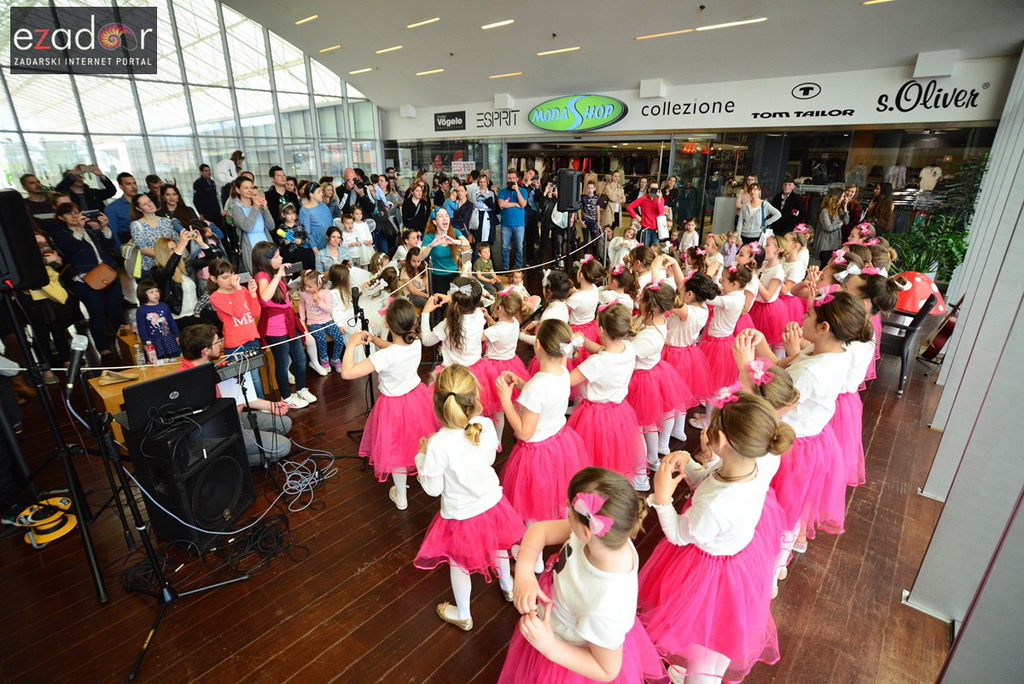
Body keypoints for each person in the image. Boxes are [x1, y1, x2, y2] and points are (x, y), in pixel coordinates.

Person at [639, 393, 793, 684]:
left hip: (709, 576)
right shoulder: (761, 461)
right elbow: (712, 478)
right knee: (719, 638)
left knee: (703, 649)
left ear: (718, 439)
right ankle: (707, 669)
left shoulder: (715, 506)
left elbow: (678, 534)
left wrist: (662, 497)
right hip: (740, 561)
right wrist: (689, 466)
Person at [499, 467, 664, 684]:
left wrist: (549, 645)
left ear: (586, 531)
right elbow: (542, 530)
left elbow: (607, 671)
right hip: (556, 621)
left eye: (568, 510)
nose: (566, 513)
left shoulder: (605, 607)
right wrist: (524, 572)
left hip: (568, 658)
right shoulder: (605, 539)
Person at [747, 289, 870, 555]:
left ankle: (774, 564)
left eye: (808, 314)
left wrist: (744, 369)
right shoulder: (827, 351)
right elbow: (781, 367)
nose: (802, 318)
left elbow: (772, 409)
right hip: (813, 439)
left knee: (781, 508)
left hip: (794, 447)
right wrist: (759, 345)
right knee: (793, 505)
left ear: (823, 327)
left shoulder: (813, 372)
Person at [414, 364, 526, 630]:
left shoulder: (438, 443)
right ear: (474, 398)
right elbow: (489, 457)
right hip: (491, 502)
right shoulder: (485, 425)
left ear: (439, 405)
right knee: (498, 544)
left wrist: (421, 456)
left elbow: (433, 489)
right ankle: (508, 586)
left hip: (460, 513)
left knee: (459, 563)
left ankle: (463, 612)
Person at [496, 319, 590, 550]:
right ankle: (556, 534)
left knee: (531, 505)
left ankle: (533, 552)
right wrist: (520, 382)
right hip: (559, 444)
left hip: (535, 453)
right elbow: (543, 396)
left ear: (537, 345)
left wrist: (505, 401)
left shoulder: (538, 385)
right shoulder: (562, 372)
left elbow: (524, 432)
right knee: (551, 494)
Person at [342, 299, 441, 509]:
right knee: (417, 439)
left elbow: (347, 372)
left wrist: (352, 343)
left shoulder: (386, 357)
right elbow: (395, 347)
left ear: (387, 324)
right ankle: (427, 474)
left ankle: (401, 497)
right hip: (416, 398)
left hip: (393, 407)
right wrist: (376, 339)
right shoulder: (414, 342)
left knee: (395, 450)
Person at [178, 324, 292, 465]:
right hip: (218, 431)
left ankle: (242, 449)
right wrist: (233, 411)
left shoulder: (208, 366)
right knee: (283, 446)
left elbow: (238, 395)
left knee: (284, 423)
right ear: (205, 350)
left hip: (230, 418)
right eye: (217, 341)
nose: (221, 343)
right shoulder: (188, 380)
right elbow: (203, 420)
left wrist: (271, 405)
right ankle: (230, 460)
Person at [563, 302, 646, 480]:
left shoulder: (596, 363)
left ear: (601, 330)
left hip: (594, 417)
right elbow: (604, 349)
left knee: (592, 456)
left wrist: (565, 352)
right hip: (619, 412)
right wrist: (584, 341)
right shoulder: (628, 348)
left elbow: (565, 381)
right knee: (612, 454)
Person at [627, 282, 693, 489]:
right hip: (650, 376)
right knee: (649, 425)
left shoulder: (650, 335)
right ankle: (653, 459)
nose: (638, 299)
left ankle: (640, 477)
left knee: (638, 428)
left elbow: (626, 353)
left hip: (640, 380)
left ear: (652, 306)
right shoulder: (653, 320)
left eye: (642, 298)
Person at [49, 203, 123, 362]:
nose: (75, 216)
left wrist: (104, 227)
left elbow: (109, 243)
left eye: (77, 212)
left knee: (116, 311)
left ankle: (125, 341)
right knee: (97, 314)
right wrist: (78, 230)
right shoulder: (60, 235)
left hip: (108, 274)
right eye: (69, 214)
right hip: (85, 280)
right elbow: (72, 248)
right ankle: (103, 349)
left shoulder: (91, 231)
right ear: (61, 217)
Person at [251, 242, 315, 408]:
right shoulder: (262, 276)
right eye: (277, 256)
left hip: (289, 321)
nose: (281, 258)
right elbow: (265, 297)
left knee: (300, 358)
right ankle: (286, 396)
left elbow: (281, 298)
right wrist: (279, 276)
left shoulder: (272, 274)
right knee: (282, 363)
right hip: (275, 326)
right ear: (266, 259)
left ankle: (301, 389)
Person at [661, 271, 716, 441]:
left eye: (683, 291)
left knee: (671, 401)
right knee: (681, 397)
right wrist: (674, 265)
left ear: (690, 294)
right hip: (688, 354)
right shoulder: (703, 308)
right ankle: (679, 429)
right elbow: (681, 284)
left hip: (673, 355)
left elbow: (664, 300)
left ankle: (663, 441)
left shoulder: (688, 312)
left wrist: (657, 278)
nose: (680, 292)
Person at [206, 258, 264, 398]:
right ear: (214, 278)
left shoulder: (242, 290)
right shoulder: (216, 297)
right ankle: (248, 407)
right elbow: (237, 313)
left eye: (232, 275)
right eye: (225, 277)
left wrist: (252, 294)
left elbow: (255, 313)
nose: (230, 280)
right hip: (236, 343)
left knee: (255, 376)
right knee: (242, 379)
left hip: (252, 338)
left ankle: (262, 404)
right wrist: (239, 290)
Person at [696, 265, 752, 403]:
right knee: (714, 382)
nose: (721, 281)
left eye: (724, 280)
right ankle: (708, 413)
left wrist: (708, 276)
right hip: (719, 341)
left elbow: (707, 298)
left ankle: (708, 418)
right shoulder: (737, 295)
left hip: (718, 346)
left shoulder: (730, 300)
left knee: (715, 383)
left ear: (734, 284)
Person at [749, 236, 790, 352]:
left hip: (768, 311)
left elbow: (768, 296)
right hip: (756, 305)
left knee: (767, 345)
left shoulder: (778, 271)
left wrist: (755, 277)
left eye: (768, 245)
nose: (764, 247)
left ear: (777, 250)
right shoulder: (763, 265)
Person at [298, 269, 345, 373]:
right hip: (313, 322)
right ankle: (324, 360)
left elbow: (328, 309)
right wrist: (302, 319)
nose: (306, 288)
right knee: (321, 340)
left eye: (310, 286)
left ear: (319, 285)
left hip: (327, 320)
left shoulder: (326, 293)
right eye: (305, 285)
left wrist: (319, 301)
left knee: (339, 338)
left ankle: (335, 359)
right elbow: (301, 304)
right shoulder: (303, 293)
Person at [229, 176, 274, 275]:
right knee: (257, 276)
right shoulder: (237, 208)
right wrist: (255, 207)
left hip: (266, 244)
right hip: (251, 248)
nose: (249, 190)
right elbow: (247, 227)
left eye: (251, 187)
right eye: (246, 188)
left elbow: (271, 226)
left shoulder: (257, 206)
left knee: (272, 274)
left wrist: (265, 209)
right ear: (238, 190)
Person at [422, 208, 469, 299]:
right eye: (441, 216)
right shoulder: (429, 237)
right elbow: (421, 256)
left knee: (457, 304)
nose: (445, 218)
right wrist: (430, 246)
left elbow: (466, 242)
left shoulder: (454, 231)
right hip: (438, 276)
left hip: (454, 274)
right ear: (435, 222)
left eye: (447, 215)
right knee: (444, 306)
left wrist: (454, 241)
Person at [130, 193, 180, 277]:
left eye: (149, 201)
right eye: (145, 204)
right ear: (138, 208)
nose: (150, 205)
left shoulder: (166, 221)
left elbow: (176, 240)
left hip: (171, 264)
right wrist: (165, 257)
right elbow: (144, 249)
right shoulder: (137, 225)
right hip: (151, 268)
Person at [135, 280, 180, 358]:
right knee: (158, 359)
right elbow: (142, 328)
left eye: (157, 291)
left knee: (174, 357)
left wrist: (177, 335)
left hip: (168, 339)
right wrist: (146, 343)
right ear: (143, 294)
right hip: (153, 341)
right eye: (151, 292)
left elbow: (171, 321)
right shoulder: (141, 310)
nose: (156, 294)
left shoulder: (164, 306)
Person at [498, 169, 528, 270]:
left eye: (513, 178)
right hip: (506, 224)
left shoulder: (523, 191)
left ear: (517, 179)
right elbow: (501, 204)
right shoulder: (502, 191)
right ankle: (505, 269)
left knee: (519, 247)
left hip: (519, 224)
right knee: (504, 247)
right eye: (509, 178)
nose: (511, 180)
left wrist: (517, 190)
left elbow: (523, 204)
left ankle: (519, 268)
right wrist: (515, 204)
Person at [813, 188, 849, 266]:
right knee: (825, 265)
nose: (844, 198)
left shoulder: (839, 210)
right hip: (826, 244)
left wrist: (845, 207)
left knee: (833, 265)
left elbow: (846, 221)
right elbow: (828, 227)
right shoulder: (824, 211)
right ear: (836, 197)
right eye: (842, 196)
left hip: (836, 242)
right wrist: (839, 224)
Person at [627, 179, 665, 248]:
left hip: (656, 228)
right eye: (652, 188)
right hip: (645, 228)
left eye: (656, 188)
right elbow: (629, 207)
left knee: (655, 249)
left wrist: (659, 199)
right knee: (645, 248)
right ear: (648, 189)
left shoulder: (661, 199)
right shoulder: (643, 199)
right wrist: (636, 216)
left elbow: (660, 212)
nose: (654, 190)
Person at [104, 172, 139, 244]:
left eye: (134, 183)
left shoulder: (144, 202)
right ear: (121, 186)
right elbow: (113, 234)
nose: (133, 186)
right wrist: (122, 253)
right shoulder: (112, 208)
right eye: (128, 184)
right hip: (129, 244)